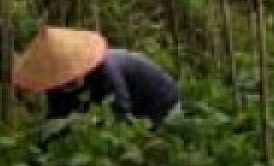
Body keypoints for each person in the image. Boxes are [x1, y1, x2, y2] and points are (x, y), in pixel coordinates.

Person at [13, 26, 181, 132]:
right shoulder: (56, 84)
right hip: (135, 110)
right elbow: (58, 116)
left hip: (160, 105)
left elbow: (120, 112)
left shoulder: (106, 70)